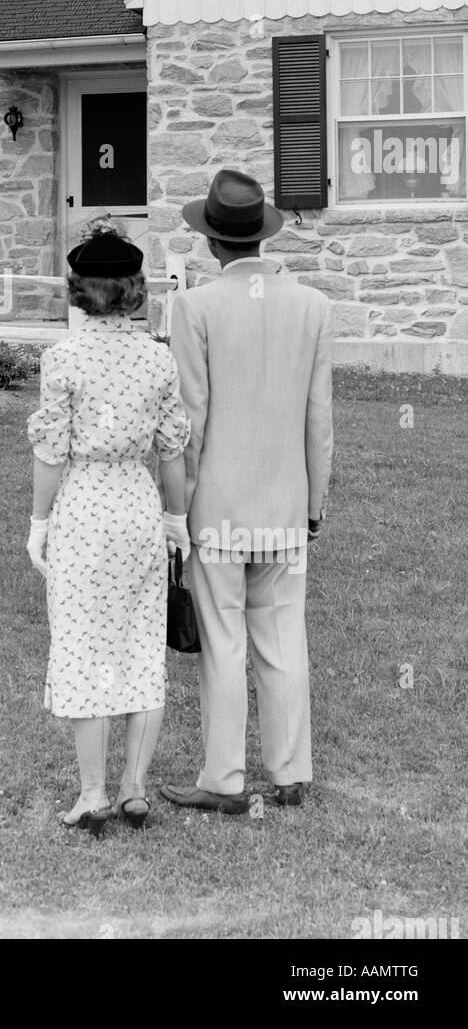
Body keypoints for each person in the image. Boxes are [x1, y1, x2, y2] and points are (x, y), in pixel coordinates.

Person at [160, 170, 333, 815]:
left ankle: (225, 779)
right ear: (262, 235)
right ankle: (291, 774)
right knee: (284, 639)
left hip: (218, 510)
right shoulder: (313, 306)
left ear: (211, 243)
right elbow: (320, 420)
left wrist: (180, 511)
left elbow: (190, 422)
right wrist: (313, 505)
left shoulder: (196, 308)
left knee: (224, 643)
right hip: (286, 504)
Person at [26, 231, 192, 836]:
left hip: (84, 506)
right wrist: (176, 520)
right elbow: (172, 449)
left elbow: (51, 451)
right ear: (135, 291)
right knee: (141, 645)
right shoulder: (158, 359)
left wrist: (39, 524)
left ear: (78, 292)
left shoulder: (63, 359)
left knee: (82, 646)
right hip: (138, 506)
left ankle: (93, 791)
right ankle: (135, 788)